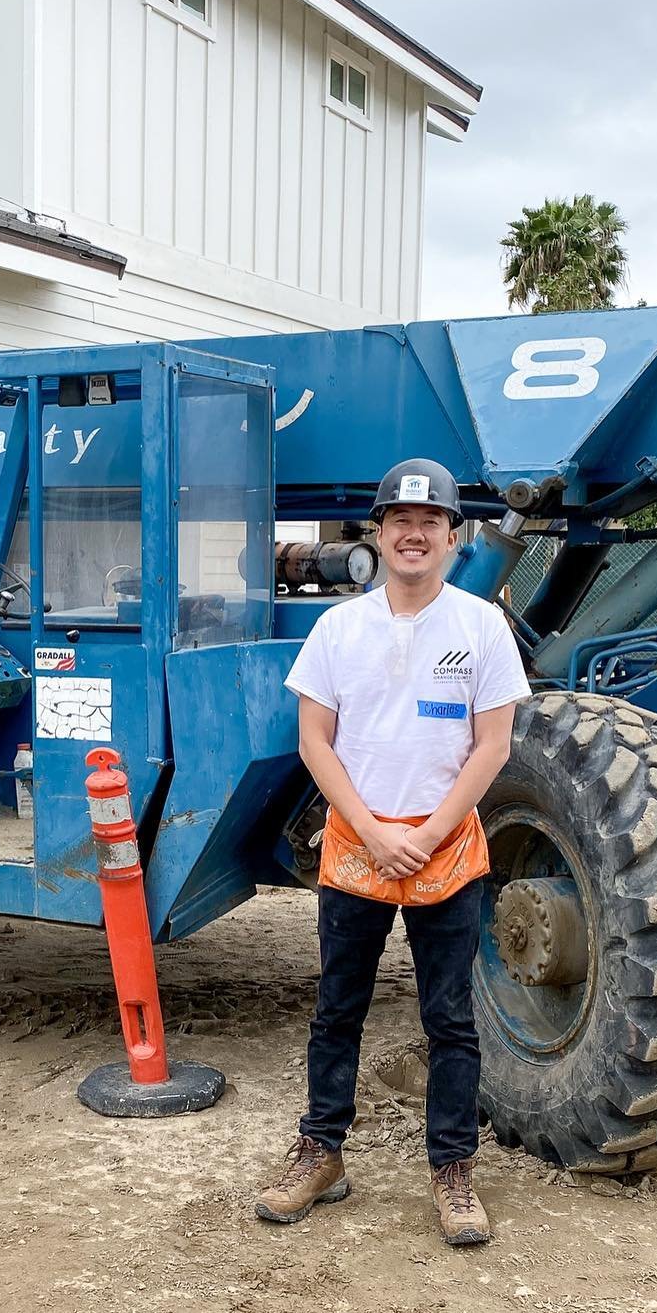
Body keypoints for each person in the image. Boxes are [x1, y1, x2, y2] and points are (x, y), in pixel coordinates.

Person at [255, 459, 530, 1246]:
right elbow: (314, 741)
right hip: (355, 844)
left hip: (445, 850)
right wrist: (375, 832)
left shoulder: (482, 627)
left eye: (431, 522)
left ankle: (452, 1172)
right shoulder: (339, 628)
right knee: (337, 1010)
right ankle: (322, 1153)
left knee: (450, 1018)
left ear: (452, 535)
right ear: (379, 533)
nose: (415, 534)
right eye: (400, 521)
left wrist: (430, 831)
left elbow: (493, 745)